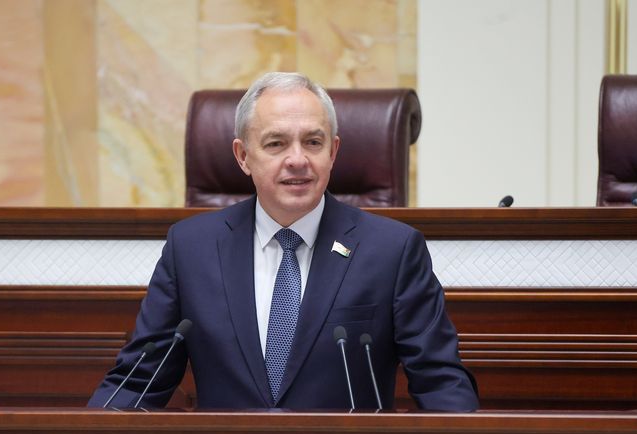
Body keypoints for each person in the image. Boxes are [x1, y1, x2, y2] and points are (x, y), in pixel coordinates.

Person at [87, 72, 478, 411]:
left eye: (313, 142)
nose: (297, 159)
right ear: (243, 156)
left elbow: (440, 383)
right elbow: (137, 382)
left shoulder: (392, 250)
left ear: (333, 152)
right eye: (276, 144)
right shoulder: (191, 249)